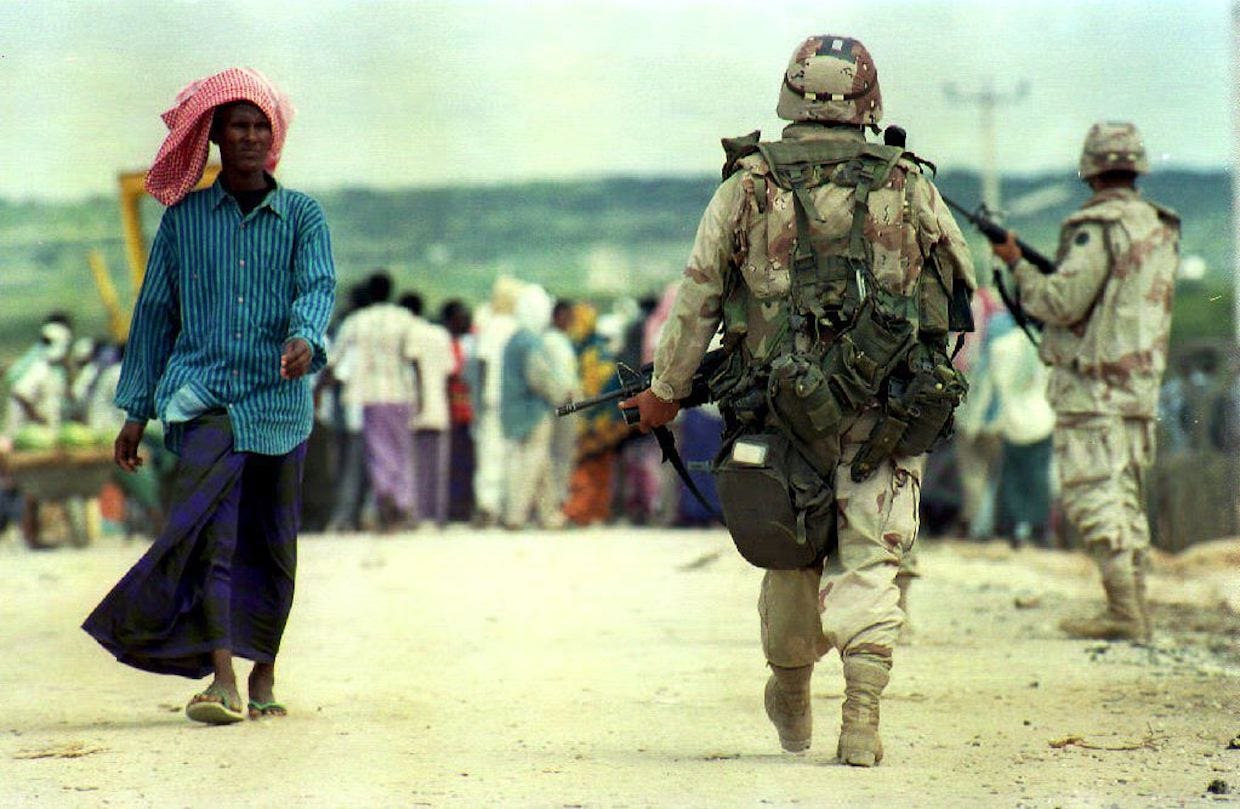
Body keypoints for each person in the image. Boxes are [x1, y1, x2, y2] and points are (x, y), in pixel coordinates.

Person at [623, 35, 974, 765]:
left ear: (792, 95)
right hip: (886, 412)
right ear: (867, 101)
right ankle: (862, 716)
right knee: (872, 559)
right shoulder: (909, 183)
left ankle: (790, 688)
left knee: (789, 554)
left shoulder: (747, 185)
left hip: (773, 415)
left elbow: (696, 302)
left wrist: (664, 394)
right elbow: (958, 290)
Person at [82, 68, 335, 724]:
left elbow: (317, 288)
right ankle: (221, 677)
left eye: (260, 126)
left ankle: (264, 673)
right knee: (208, 538)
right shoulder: (183, 221)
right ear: (216, 135)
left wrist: (305, 337)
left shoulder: (303, 216)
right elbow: (155, 314)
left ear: (274, 136)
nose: (249, 136)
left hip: (279, 404)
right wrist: (134, 410)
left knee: (274, 539)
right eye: (237, 126)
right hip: (203, 400)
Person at [993, 122, 1180, 642]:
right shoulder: (1158, 225)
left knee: (1094, 497)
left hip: (1093, 390)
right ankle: (1134, 612)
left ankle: (1124, 615)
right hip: (1137, 389)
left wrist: (1017, 267)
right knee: (1123, 498)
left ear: (1090, 170)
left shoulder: (1095, 227)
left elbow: (1060, 303)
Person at [328, 271, 421, 530]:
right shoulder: (404, 319)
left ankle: (385, 493)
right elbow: (414, 358)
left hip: (370, 395)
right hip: (400, 393)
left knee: (378, 451)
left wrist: (320, 390)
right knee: (402, 450)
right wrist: (421, 393)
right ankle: (402, 502)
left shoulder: (357, 321)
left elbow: (334, 360)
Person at [500, 284, 571, 529]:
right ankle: (515, 516)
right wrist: (563, 394)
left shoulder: (513, 340)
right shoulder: (531, 342)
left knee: (542, 465)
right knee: (533, 464)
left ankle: (549, 516)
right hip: (534, 412)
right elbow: (540, 377)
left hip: (515, 411)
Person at [400, 292, 454, 528]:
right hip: (438, 405)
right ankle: (437, 515)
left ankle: (416, 515)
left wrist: (419, 399)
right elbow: (451, 368)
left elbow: (414, 365)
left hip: (413, 405)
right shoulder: (439, 334)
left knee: (412, 464)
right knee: (437, 466)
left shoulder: (407, 333)